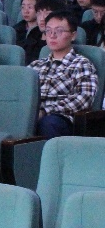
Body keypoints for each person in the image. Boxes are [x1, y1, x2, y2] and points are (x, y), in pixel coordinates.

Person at [30, 10, 98, 138]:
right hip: (31, 114)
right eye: (48, 31)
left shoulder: (82, 64)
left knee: (48, 123)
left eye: (59, 31)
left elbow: (83, 99)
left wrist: (44, 111)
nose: (52, 35)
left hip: (61, 118)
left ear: (73, 35)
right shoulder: (35, 65)